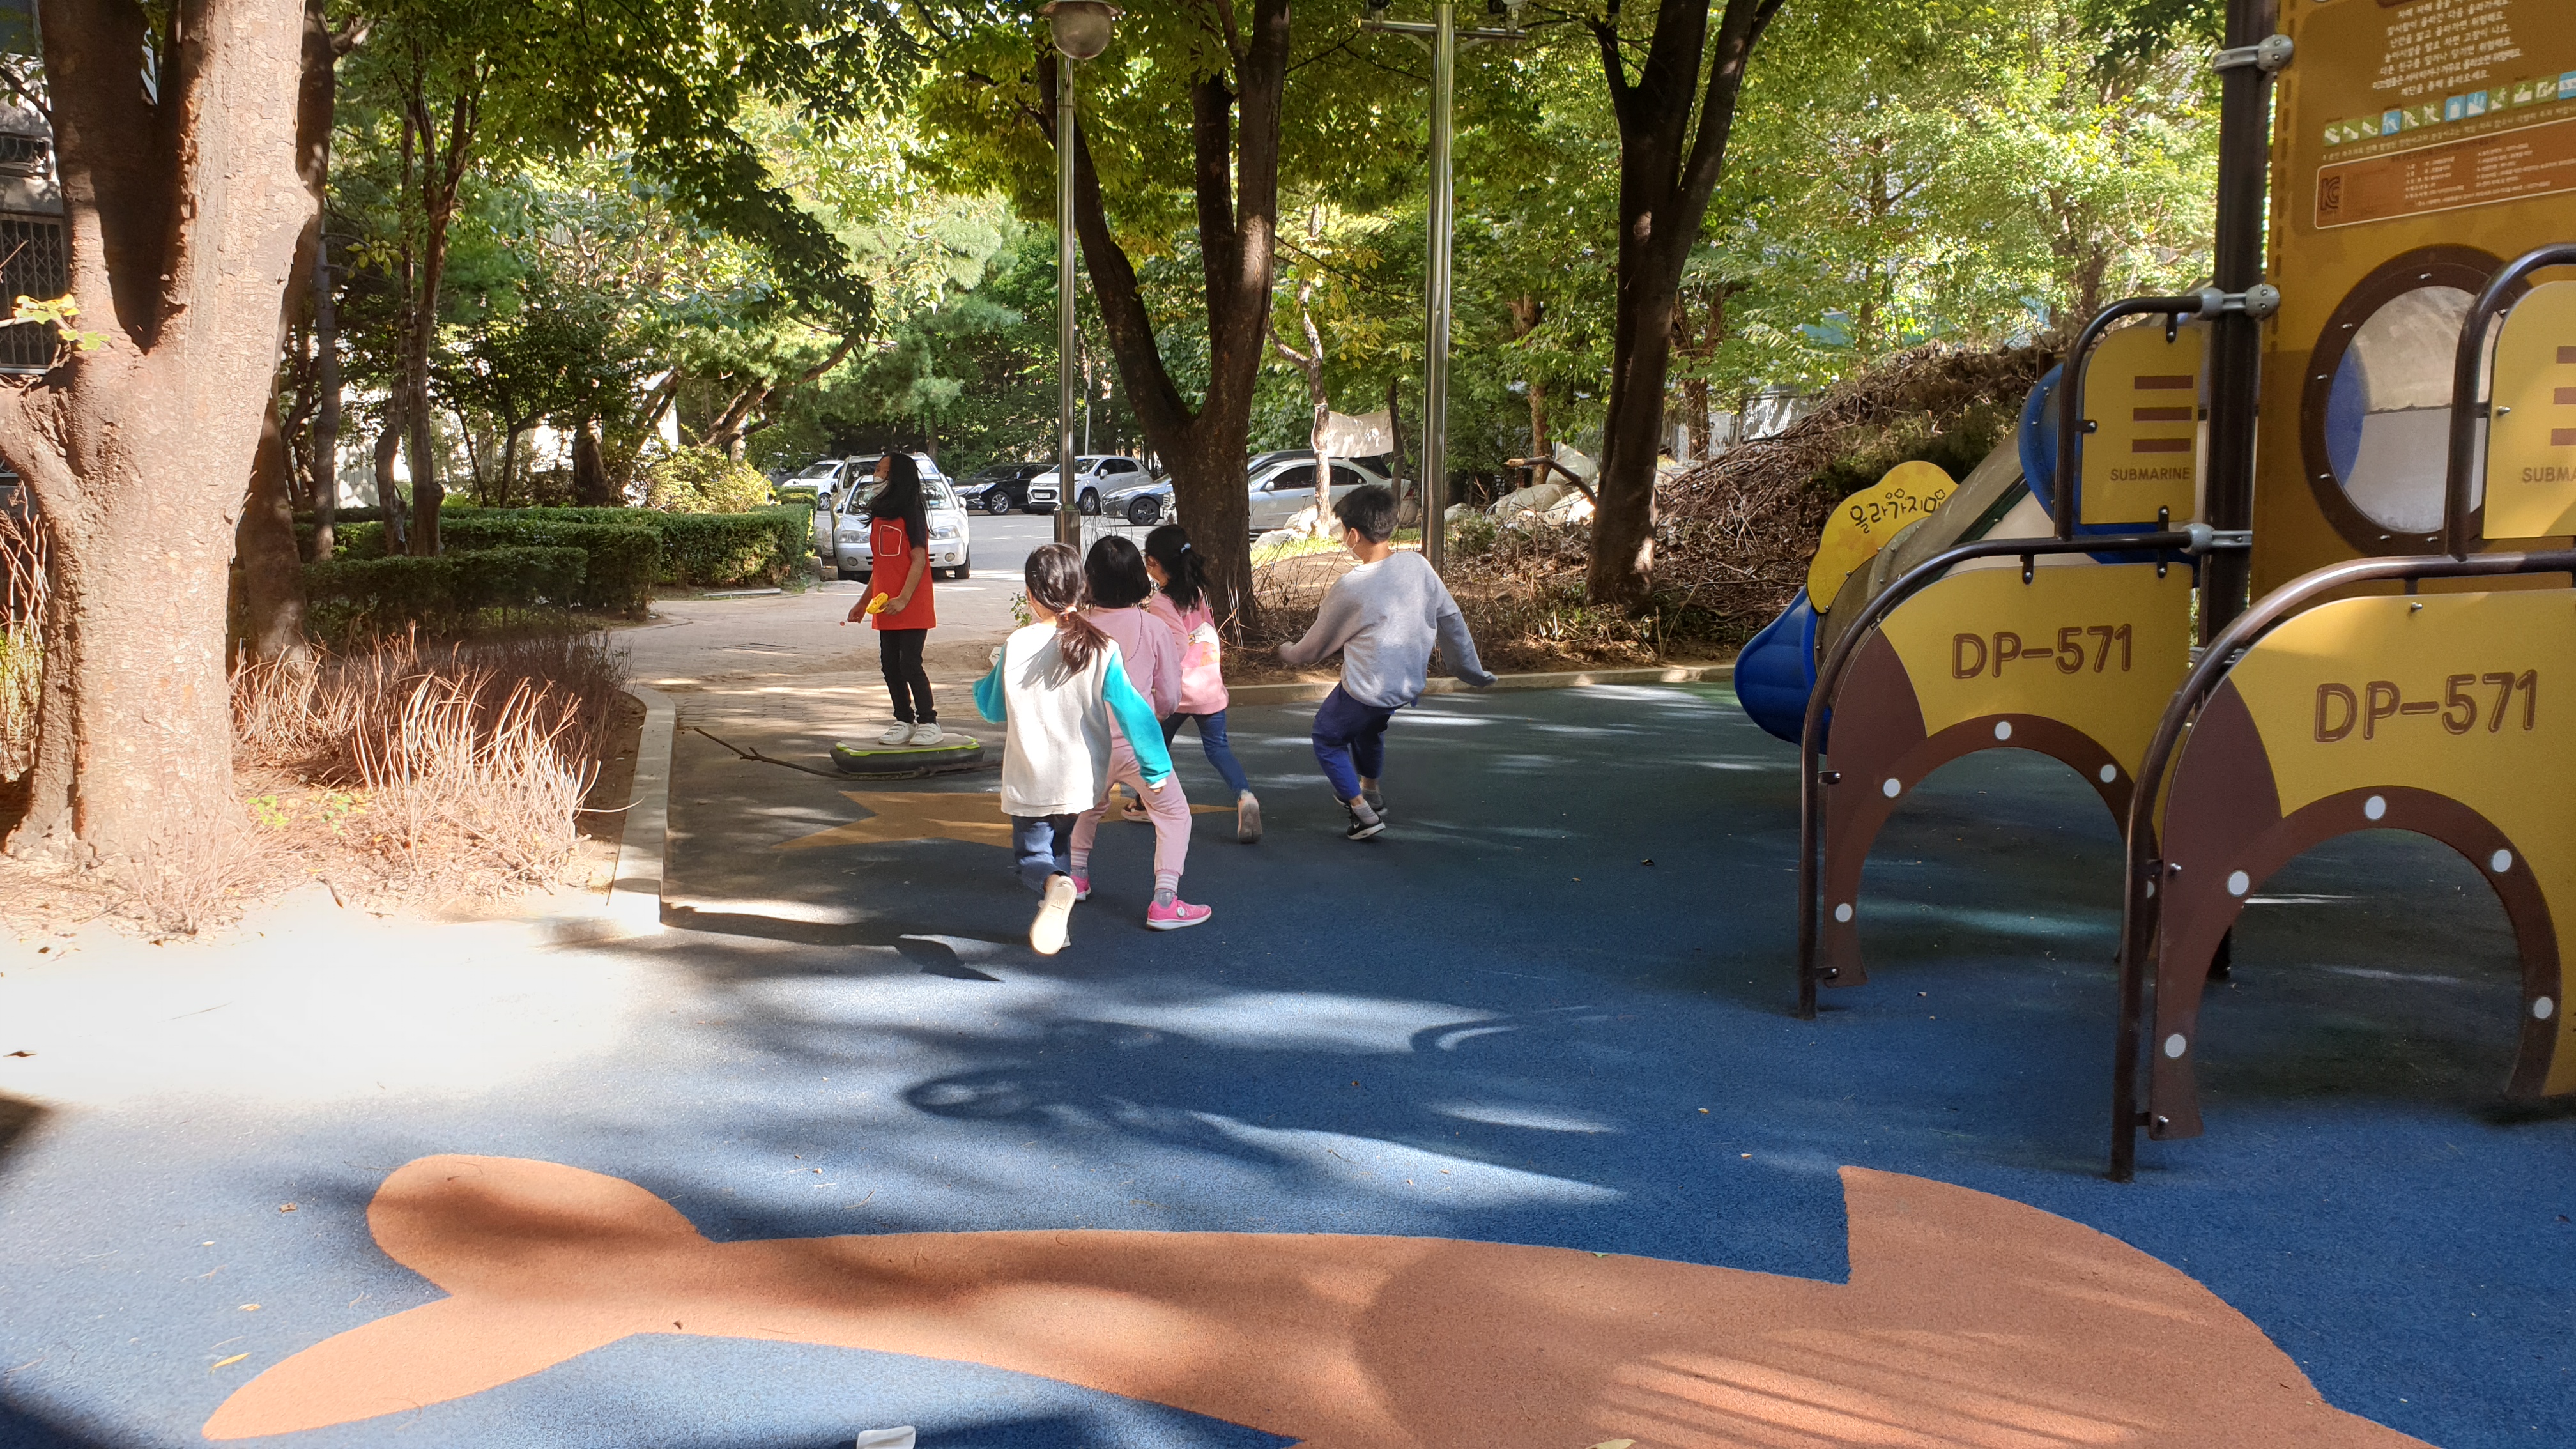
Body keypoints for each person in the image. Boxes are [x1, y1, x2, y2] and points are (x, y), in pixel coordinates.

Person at [974, 544, 1181, 954]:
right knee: (1060, 847)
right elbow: (1135, 713)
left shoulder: (1018, 644)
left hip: (1032, 779)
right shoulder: (1102, 646)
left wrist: (981, 684)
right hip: (1081, 781)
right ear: (1081, 588)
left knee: (1033, 860)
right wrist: (1155, 769)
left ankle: (1056, 886)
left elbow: (992, 708)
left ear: (1031, 594)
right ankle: (1060, 922)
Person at [1277, 484, 1496, 839]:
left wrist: (1286, 652)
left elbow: (1313, 648)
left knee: (1327, 736)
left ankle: (1362, 813)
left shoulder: (1352, 586)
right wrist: (1473, 672)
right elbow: (1452, 620)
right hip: (1404, 685)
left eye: (1343, 532)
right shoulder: (1418, 566)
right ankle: (1372, 792)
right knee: (1369, 730)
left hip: (1366, 690)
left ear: (1353, 534)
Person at [1066, 535, 1211, 930]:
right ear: (1139, 579)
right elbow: (1169, 694)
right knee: (1174, 813)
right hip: (1138, 746)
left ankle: (1076, 877)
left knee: (1087, 807)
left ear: (1088, 580)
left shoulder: (1074, 627)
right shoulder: (1153, 627)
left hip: (1087, 746)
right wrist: (1157, 716)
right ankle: (1165, 900)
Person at [1142, 523, 1261, 843]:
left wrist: (1156, 671)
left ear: (1153, 563)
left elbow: (1177, 644)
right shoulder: (1194, 591)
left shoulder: (1161, 602)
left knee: (1154, 745)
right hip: (1209, 685)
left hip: (1180, 691)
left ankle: (1144, 802)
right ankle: (1245, 796)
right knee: (1219, 749)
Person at [843, 452, 939, 746]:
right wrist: (863, 602)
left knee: (910, 663)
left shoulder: (913, 513)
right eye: (877, 469)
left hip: (911, 602)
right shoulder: (881, 515)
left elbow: (919, 559)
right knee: (889, 665)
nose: (878, 475)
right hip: (885, 605)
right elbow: (882, 566)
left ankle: (929, 722)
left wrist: (904, 598)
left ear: (899, 477)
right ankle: (903, 720)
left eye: (884, 471)